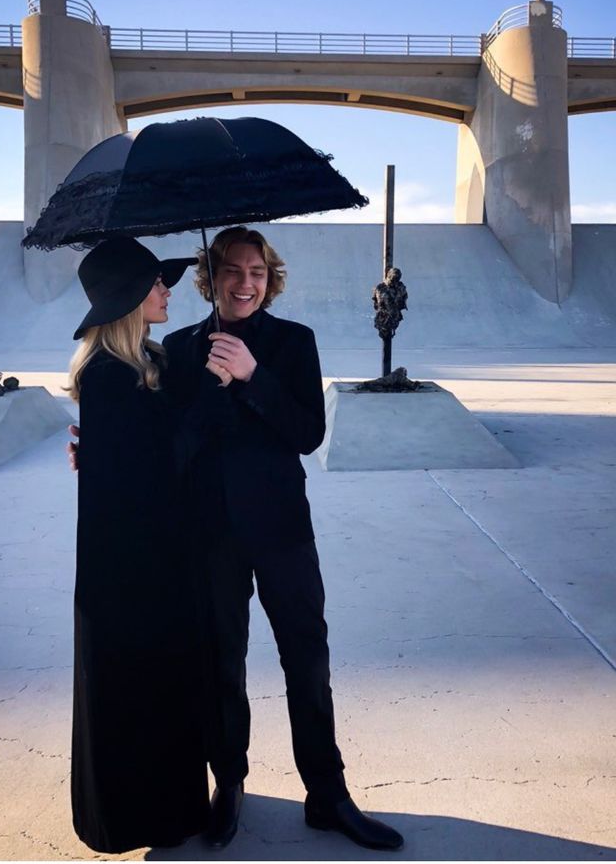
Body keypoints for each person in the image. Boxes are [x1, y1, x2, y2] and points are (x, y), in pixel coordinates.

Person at [161, 225, 404, 851]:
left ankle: (327, 792)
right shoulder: (181, 348)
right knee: (221, 664)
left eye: (258, 272)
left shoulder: (295, 342)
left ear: (271, 280)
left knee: (307, 659)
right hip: (211, 534)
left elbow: (306, 433)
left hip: (282, 531)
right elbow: (174, 447)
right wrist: (213, 389)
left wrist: (251, 376)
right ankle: (230, 785)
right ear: (209, 278)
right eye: (234, 271)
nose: (246, 283)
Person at [68, 237, 212, 854]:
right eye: (156, 283)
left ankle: (172, 806)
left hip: (153, 562)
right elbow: (161, 468)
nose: (167, 291)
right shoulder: (107, 377)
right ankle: (136, 818)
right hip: (127, 575)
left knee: (163, 687)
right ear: (130, 296)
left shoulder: (144, 363)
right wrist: (208, 397)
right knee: (135, 691)